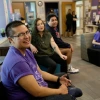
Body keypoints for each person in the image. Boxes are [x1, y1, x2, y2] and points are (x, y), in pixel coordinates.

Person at [1, 21, 82, 100]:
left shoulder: (26, 51)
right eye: (21, 34)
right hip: (31, 96)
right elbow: (37, 92)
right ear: (11, 40)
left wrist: (58, 79)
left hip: (39, 85)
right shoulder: (17, 62)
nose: (27, 36)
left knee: (64, 76)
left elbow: (39, 72)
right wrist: (60, 91)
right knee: (69, 96)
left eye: (27, 32)